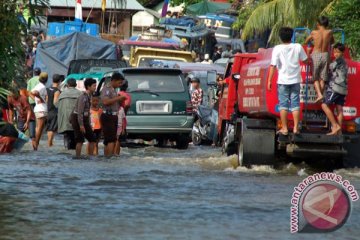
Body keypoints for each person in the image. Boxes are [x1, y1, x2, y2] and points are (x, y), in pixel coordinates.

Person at [267, 27, 308, 135]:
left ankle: (284, 128)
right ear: (292, 36)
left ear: (280, 37)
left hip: (282, 81)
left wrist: (269, 80)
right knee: (295, 104)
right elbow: (306, 60)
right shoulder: (298, 47)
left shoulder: (277, 48)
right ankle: (295, 128)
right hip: (295, 80)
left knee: (283, 105)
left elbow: (273, 65)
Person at [305, 16, 334, 103]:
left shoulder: (314, 32)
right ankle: (320, 96)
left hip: (316, 54)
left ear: (318, 24)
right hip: (325, 55)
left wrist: (313, 42)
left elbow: (306, 41)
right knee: (322, 78)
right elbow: (332, 41)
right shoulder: (330, 32)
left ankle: (319, 94)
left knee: (315, 77)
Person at [321, 43, 348, 136]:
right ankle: (339, 132)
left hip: (336, 88)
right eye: (335, 52)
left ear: (342, 53)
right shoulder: (344, 61)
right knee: (339, 109)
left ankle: (335, 126)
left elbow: (330, 67)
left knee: (324, 105)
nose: (336, 54)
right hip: (343, 89)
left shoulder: (338, 61)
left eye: (338, 52)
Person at [100, 72, 126, 157]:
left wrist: (120, 100)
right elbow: (105, 101)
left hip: (113, 116)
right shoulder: (107, 89)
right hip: (108, 116)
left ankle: (107, 158)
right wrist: (118, 98)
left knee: (110, 140)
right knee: (110, 140)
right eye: (119, 83)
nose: (120, 85)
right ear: (114, 80)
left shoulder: (113, 90)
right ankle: (109, 159)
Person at [70, 78, 97, 158]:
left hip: (84, 119)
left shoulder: (89, 96)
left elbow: (87, 112)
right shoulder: (83, 97)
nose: (95, 87)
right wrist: (81, 125)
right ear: (88, 87)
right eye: (94, 86)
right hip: (77, 118)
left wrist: (88, 123)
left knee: (92, 139)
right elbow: (80, 112)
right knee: (80, 139)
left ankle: (90, 156)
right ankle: (78, 157)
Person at [56, 78, 82, 150]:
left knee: (67, 139)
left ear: (67, 85)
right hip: (76, 121)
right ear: (76, 85)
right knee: (76, 139)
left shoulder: (62, 94)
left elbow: (57, 105)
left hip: (65, 122)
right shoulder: (80, 94)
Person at [30, 72, 48, 150]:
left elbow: (30, 92)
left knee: (38, 128)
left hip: (39, 108)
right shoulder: (42, 87)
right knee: (40, 128)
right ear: (46, 79)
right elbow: (34, 93)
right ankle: (35, 145)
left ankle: (35, 143)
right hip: (41, 109)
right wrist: (39, 98)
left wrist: (36, 100)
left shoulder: (39, 86)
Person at [114, 81, 131, 155]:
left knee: (114, 139)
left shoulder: (116, 95)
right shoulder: (127, 96)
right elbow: (127, 106)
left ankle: (113, 153)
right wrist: (124, 111)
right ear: (127, 87)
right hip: (121, 122)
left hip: (115, 121)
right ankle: (116, 154)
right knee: (119, 140)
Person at [46, 74, 61, 147]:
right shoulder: (57, 91)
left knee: (49, 128)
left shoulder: (48, 89)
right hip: (54, 111)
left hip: (47, 111)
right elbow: (55, 102)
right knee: (52, 129)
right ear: (59, 82)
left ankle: (49, 143)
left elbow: (46, 100)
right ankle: (49, 144)